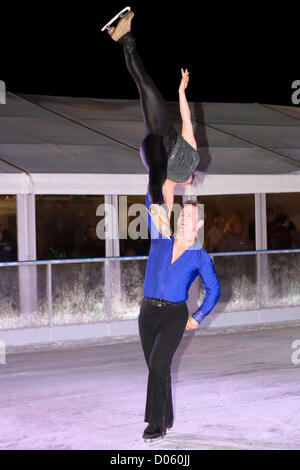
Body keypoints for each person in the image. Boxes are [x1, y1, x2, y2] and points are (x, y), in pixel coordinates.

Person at [104, 9, 200, 236]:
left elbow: (187, 120)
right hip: (160, 130)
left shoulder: (175, 179)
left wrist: (166, 222)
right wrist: (181, 92)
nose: (187, 182)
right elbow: (186, 120)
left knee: (158, 172)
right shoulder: (192, 159)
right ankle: (125, 38)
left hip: (155, 144)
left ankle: (158, 213)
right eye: (189, 181)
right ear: (190, 179)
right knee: (144, 84)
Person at [137, 194, 220, 442]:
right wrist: (158, 176)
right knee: (155, 367)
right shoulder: (161, 238)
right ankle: (166, 417)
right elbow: (151, 202)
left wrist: (197, 317)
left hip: (174, 315)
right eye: (182, 214)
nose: (184, 220)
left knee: (160, 364)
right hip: (147, 313)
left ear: (199, 225)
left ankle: (155, 423)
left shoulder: (200, 256)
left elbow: (214, 290)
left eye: (190, 217)